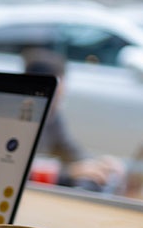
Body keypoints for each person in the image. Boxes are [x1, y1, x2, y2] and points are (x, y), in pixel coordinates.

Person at [23, 49, 125, 191]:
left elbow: (70, 150)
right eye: (55, 97)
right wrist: (71, 171)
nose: (57, 103)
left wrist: (99, 162)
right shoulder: (20, 118)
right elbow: (24, 170)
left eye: (59, 98)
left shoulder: (52, 115)